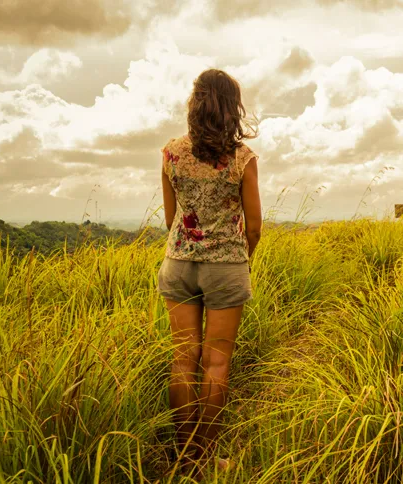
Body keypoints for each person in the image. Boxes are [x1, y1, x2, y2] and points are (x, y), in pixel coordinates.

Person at [156, 68, 262, 478]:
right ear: (230, 107)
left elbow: (171, 218)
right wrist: (240, 257)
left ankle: (184, 458)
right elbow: (254, 226)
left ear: (195, 104)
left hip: (178, 263)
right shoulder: (243, 159)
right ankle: (206, 458)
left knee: (183, 360)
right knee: (216, 364)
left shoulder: (170, 153)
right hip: (225, 268)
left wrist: (189, 246)